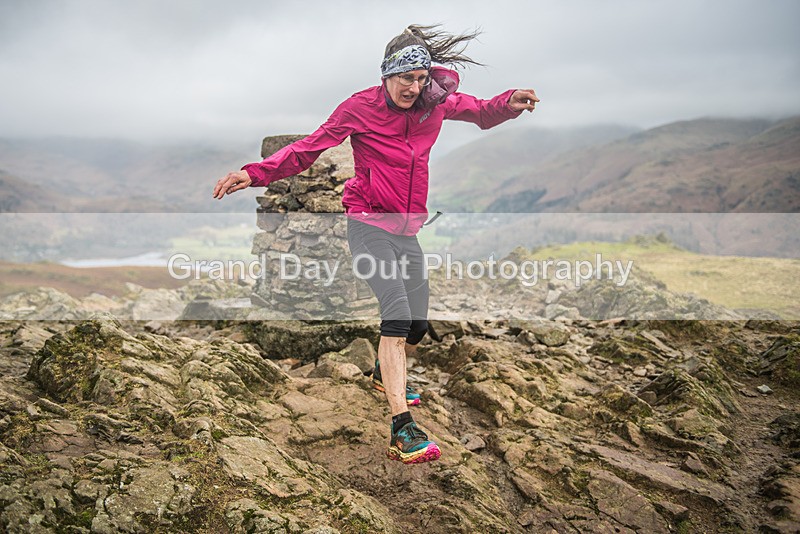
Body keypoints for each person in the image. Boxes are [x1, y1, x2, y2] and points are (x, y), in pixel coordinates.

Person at [213, 24, 538, 465]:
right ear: (386, 74)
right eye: (406, 78)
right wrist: (254, 173)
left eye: (421, 78)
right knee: (398, 314)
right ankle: (402, 429)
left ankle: (383, 375)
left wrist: (510, 103)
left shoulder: (434, 103)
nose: (414, 87)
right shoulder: (359, 107)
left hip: (406, 230)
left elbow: (480, 111)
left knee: (419, 325)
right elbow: (308, 148)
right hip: (367, 224)